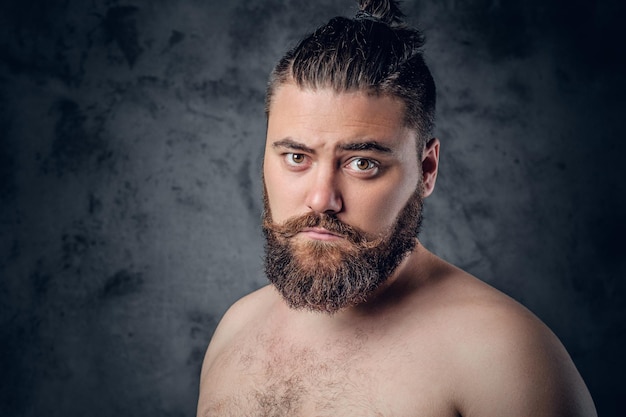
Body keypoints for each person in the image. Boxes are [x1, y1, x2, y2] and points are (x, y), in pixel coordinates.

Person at [197, 0, 597, 415]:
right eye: (297, 158)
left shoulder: (504, 359)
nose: (321, 199)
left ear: (426, 169)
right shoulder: (237, 328)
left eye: (362, 164)